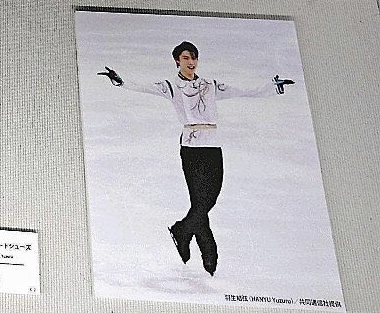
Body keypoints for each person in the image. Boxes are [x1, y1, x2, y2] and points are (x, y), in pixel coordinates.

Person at [98, 41, 294, 276]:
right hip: (191, 146)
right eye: (186, 58)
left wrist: (272, 86)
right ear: (177, 61)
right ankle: (209, 255)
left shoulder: (210, 85)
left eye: (193, 58)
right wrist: (120, 80)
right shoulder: (171, 86)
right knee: (200, 203)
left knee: (208, 200)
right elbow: (145, 87)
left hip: (212, 145)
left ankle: (182, 231)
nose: (191, 62)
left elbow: (243, 91)